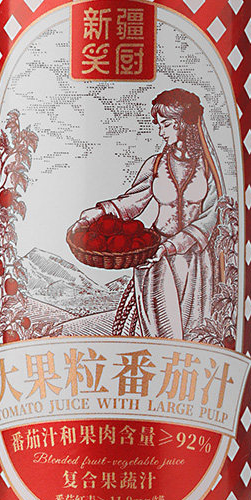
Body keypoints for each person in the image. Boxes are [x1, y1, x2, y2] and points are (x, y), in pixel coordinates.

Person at [76, 88, 225, 340]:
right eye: (159, 125)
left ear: (182, 123)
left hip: (196, 261)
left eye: (166, 124)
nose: (160, 132)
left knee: (194, 335)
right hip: (156, 258)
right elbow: (130, 203)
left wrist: (173, 246)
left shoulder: (208, 168)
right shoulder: (155, 164)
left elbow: (211, 215)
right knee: (161, 333)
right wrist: (95, 214)